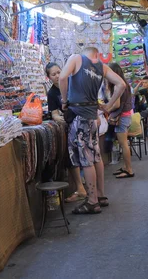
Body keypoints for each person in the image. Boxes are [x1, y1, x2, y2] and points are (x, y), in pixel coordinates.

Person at [59, 47, 126, 214]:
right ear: (96, 55)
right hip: (92, 116)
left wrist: (64, 100)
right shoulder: (102, 67)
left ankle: (92, 201)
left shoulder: (76, 58)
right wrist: (108, 106)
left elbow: (62, 77)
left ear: (85, 52)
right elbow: (121, 84)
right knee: (96, 156)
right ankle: (101, 195)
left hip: (79, 115)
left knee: (86, 159)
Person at [46, 62, 87, 202]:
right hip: (69, 126)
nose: (57, 76)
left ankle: (89, 188)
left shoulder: (72, 84)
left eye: (59, 72)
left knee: (86, 155)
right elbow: (54, 114)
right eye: (53, 74)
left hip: (83, 123)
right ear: (49, 77)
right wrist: (63, 118)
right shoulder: (52, 93)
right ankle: (81, 188)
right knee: (72, 157)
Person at [106, 63, 135, 179]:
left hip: (121, 117)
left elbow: (116, 104)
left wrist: (106, 108)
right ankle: (126, 167)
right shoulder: (124, 84)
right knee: (124, 144)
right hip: (126, 116)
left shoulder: (117, 85)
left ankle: (129, 170)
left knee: (123, 144)